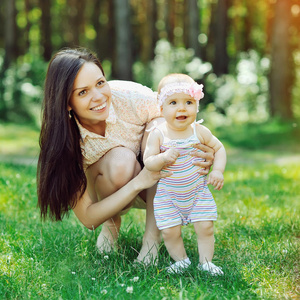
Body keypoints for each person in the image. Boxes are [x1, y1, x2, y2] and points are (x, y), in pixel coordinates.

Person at [37, 48, 214, 265]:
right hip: (111, 187)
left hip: (161, 187)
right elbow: (88, 218)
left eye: (100, 83)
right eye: (83, 92)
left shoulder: (132, 98)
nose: (99, 97)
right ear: (65, 102)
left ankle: (152, 240)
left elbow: (183, 119)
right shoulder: (63, 139)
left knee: (161, 127)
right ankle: (111, 226)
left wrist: (205, 150)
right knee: (121, 160)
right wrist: (139, 181)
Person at [143, 73, 226, 274]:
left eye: (188, 102)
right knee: (170, 232)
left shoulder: (199, 131)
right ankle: (181, 260)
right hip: (168, 196)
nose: (182, 108)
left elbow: (219, 148)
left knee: (205, 228)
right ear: (161, 109)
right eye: (173, 102)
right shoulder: (158, 134)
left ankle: (206, 263)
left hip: (197, 192)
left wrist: (218, 171)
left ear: (196, 106)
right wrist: (162, 158)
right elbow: (148, 162)